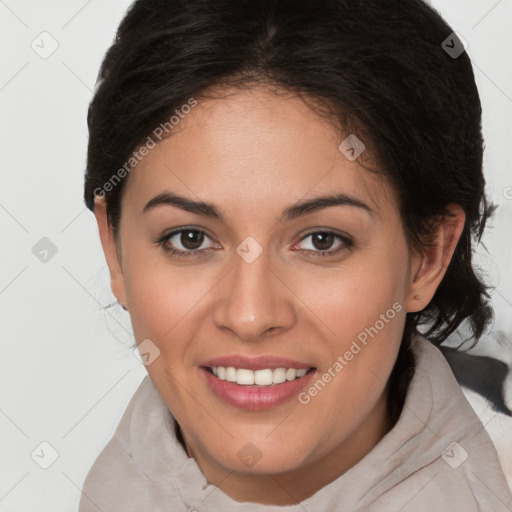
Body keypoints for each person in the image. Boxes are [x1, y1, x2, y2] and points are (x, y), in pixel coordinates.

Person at [79, 0, 512, 510]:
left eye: (322, 240)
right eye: (190, 239)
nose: (250, 315)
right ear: (114, 247)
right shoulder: (117, 482)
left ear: (429, 254)